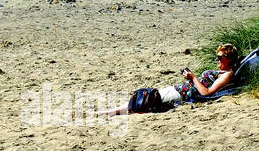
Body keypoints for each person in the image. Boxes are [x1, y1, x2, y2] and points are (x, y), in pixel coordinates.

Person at [103, 44, 241, 115]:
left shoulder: (227, 74)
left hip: (180, 94)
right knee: (144, 99)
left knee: (145, 99)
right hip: (179, 89)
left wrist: (193, 78)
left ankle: (107, 113)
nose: (216, 59)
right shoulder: (222, 71)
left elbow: (207, 92)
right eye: (216, 56)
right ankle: (110, 112)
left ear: (229, 59)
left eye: (220, 57)